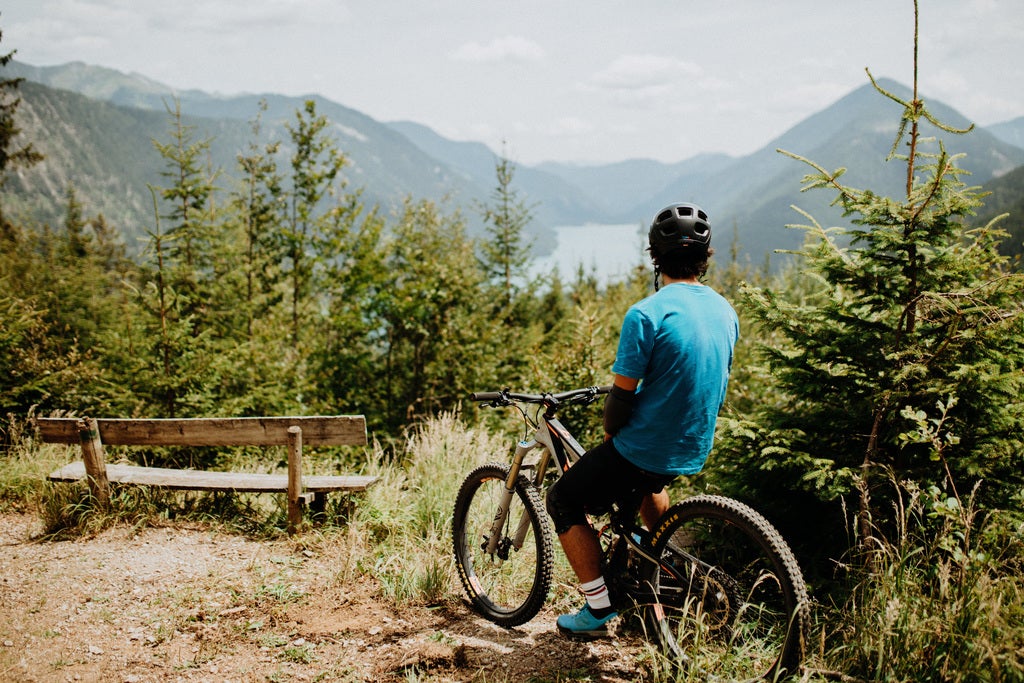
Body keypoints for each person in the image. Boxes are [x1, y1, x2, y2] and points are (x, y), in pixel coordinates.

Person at [545, 202, 739, 637]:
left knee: (562, 499)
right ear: (704, 257)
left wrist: (609, 432)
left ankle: (598, 609)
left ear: (655, 257)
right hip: (693, 442)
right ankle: (658, 560)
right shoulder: (725, 310)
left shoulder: (646, 313)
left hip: (646, 446)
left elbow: (620, 401)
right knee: (644, 480)